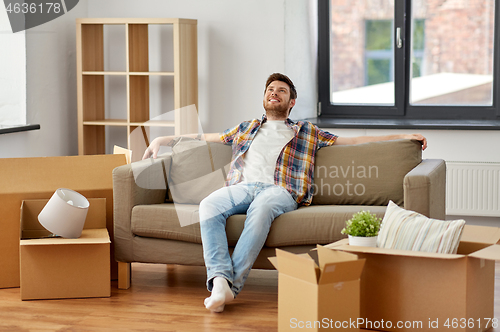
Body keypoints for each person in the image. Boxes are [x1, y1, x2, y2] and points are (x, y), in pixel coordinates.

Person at [143, 73, 427, 313]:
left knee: (262, 209)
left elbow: (357, 141)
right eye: (270, 90)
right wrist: (163, 139)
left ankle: (231, 286)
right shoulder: (246, 128)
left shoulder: (307, 131)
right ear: (264, 99)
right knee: (208, 206)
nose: (274, 93)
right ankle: (219, 281)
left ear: (291, 102)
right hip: (241, 187)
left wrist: (402, 136)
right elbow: (204, 137)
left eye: (281, 90)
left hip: (281, 190)